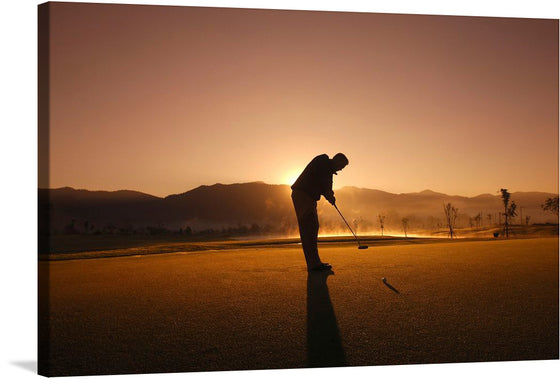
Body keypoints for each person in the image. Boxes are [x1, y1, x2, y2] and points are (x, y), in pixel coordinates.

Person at [291, 153, 349, 271]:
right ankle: (313, 264)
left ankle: (314, 262)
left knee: (312, 227)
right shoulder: (323, 161)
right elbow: (326, 184)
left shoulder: (327, 169)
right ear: (337, 160)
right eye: (341, 166)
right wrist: (330, 196)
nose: (341, 169)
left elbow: (326, 185)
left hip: (307, 196)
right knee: (309, 228)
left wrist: (330, 196)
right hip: (303, 195)